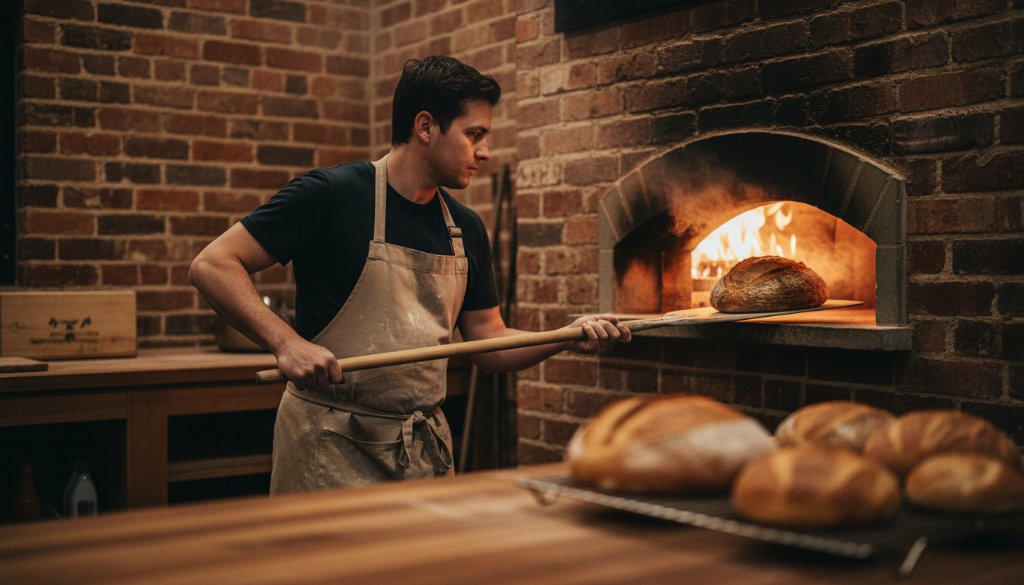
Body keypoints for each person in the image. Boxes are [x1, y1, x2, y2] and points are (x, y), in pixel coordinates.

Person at [189, 55, 631, 494]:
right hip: (328, 448)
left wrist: (565, 336)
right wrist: (286, 343)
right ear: (425, 126)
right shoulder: (332, 196)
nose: (485, 152)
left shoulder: (465, 229)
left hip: (421, 453)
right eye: (474, 134)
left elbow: (490, 341)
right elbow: (213, 264)